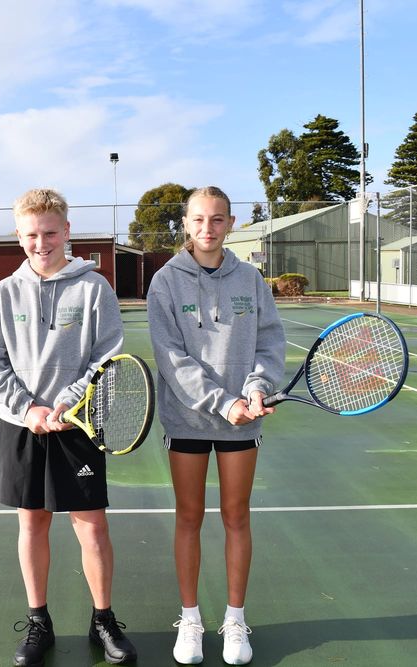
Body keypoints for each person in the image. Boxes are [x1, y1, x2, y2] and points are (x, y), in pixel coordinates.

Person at [0, 188, 137, 666]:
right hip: (21, 426)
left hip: (78, 427)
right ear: (19, 236)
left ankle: (103, 620)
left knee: (91, 527)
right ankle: (39, 622)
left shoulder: (94, 289)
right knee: (33, 523)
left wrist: (67, 404)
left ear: (66, 232)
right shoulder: (3, 294)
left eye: (50, 232)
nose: (41, 242)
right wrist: (27, 409)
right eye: (31, 234)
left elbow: (106, 356)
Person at [146, 186, 285, 665]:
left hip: (241, 424)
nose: (208, 229)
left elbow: (269, 342)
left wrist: (257, 388)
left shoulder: (250, 279)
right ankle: (190, 619)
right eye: (199, 220)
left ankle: (234, 619)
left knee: (236, 517)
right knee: (188, 517)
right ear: (186, 223)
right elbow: (171, 358)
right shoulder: (165, 282)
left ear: (230, 223)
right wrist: (223, 404)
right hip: (188, 419)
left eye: (218, 220)